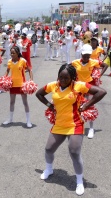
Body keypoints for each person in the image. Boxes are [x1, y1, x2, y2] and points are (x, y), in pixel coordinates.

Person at [36, 64, 106, 196]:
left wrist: (86, 105)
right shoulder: (53, 85)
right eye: (60, 77)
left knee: (74, 152)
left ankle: (79, 181)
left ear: (72, 77)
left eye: (66, 78)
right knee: (49, 149)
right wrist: (50, 106)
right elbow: (39, 94)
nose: (62, 80)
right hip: (59, 124)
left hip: (75, 124)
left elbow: (101, 92)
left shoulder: (78, 85)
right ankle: (49, 169)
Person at [71, 44, 108, 139]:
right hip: (78, 87)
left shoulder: (93, 62)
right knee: (77, 106)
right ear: (81, 54)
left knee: (89, 106)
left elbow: (105, 65)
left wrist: (99, 75)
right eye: (84, 55)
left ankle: (91, 128)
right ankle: (78, 125)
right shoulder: (75, 62)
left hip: (89, 87)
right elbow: (67, 70)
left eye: (88, 55)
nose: (86, 57)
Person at [2, 47, 33, 128]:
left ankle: (28, 121)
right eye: (11, 53)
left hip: (22, 84)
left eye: (13, 53)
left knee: (25, 103)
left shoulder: (22, 61)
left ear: (18, 53)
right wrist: (4, 78)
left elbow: (29, 70)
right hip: (12, 84)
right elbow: (8, 71)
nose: (12, 55)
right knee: (12, 102)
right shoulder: (9, 62)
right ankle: (10, 119)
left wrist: (31, 80)